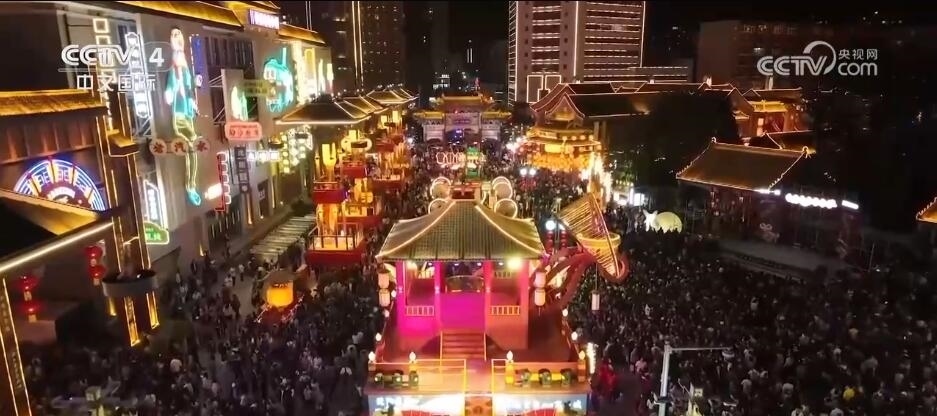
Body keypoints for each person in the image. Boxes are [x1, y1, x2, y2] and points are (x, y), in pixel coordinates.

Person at [164, 27, 201, 206]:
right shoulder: (173, 68)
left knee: (193, 148)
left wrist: (193, 103)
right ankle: (190, 186)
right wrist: (170, 92)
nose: (177, 38)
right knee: (191, 147)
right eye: (174, 35)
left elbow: (189, 89)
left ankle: (191, 186)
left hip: (187, 114)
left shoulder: (185, 67)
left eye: (179, 35)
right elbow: (170, 92)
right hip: (179, 115)